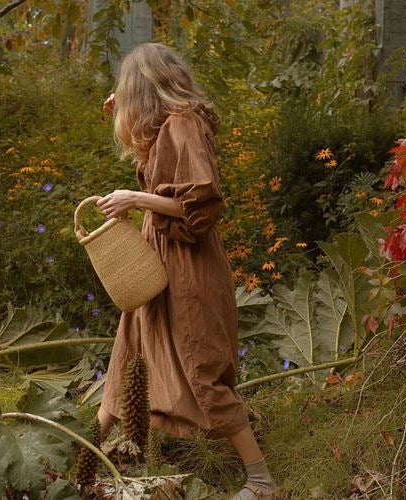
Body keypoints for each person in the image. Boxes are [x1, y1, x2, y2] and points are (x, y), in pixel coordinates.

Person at [94, 42, 276, 499]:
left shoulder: (184, 124)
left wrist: (134, 200)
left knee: (200, 364)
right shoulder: (166, 129)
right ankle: (82, 457)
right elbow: (158, 173)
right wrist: (119, 119)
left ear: (143, 86)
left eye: (125, 88)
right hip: (158, 262)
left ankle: (261, 479)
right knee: (129, 355)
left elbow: (201, 202)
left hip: (188, 266)